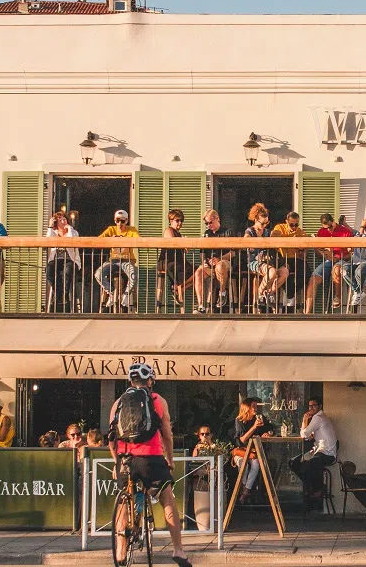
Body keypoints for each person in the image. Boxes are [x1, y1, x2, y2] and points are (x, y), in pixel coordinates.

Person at [108, 363, 191, 567]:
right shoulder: (157, 400)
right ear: (151, 381)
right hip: (150, 458)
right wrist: (169, 460)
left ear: (130, 381)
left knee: (122, 502)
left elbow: (111, 436)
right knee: (167, 498)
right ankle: (178, 550)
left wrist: (115, 461)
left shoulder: (118, 402)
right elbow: (167, 435)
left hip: (125, 458)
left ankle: (120, 549)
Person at [289, 397, 338, 498]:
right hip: (319, 451)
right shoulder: (319, 417)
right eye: (310, 405)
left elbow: (304, 435)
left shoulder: (318, 417)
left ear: (320, 406)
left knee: (309, 463)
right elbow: (309, 436)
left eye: (314, 405)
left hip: (327, 454)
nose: (311, 408)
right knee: (293, 462)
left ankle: (318, 488)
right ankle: (312, 487)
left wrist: (304, 420)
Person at [305, 213, 354, 313]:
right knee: (313, 279)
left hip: (343, 260)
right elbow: (318, 253)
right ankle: (307, 312)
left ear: (334, 222)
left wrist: (339, 257)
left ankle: (337, 297)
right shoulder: (321, 232)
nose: (329, 230)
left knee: (336, 269)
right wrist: (320, 251)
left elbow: (352, 254)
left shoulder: (345, 231)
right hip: (328, 260)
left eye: (331, 227)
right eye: (326, 228)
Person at [95, 209, 140, 310]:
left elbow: (138, 240)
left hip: (127, 260)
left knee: (134, 275)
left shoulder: (131, 230)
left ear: (127, 221)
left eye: (122, 221)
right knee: (98, 274)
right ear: (115, 220)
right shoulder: (111, 229)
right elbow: (98, 239)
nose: (120, 223)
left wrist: (124, 240)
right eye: (117, 221)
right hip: (113, 260)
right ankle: (112, 293)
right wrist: (111, 239)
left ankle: (126, 295)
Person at [233, 397, 274, 504]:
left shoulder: (260, 418)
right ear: (247, 408)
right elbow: (241, 440)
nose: (256, 408)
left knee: (256, 464)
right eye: (253, 406)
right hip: (242, 450)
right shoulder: (240, 420)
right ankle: (245, 488)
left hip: (253, 452)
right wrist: (254, 427)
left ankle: (245, 490)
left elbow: (271, 428)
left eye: (256, 406)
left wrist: (268, 433)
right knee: (243, 464)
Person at [193, 210, 236, 314]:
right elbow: (202, 251)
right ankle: (201, 306)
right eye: (206, 223)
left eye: (210, 222)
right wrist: (204, 261)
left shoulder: (228, 232)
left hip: (225, 262)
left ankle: (222, 293)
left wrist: (219, 259)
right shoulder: (206, 234)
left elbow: (233, 253)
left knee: (220, 266)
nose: (208, 225)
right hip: (210, 265)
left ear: (217, 219)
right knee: (198, 272)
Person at [244, 203, 285, 310]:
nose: (264, 226)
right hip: (254, 261)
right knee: (271, 273)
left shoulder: (267, 232)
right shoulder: (250, 231)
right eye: (262, 223)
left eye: (267, 223)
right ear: (256, 219)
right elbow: (245, 241)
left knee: (285, 272)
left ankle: (270, 293)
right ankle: (260, 295)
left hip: (268, 261)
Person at [158, 209, 196, 311]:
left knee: (200, 272)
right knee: (194, 271)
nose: (179, 223)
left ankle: (178, 288)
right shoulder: (169, 230)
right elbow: (172, 242)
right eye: (177, 220)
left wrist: (185, 244)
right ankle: (177, 288)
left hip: (178, 262)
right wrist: (183, 242)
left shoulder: (179, 234)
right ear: (171, 221)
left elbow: (185, 250)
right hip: (169, 262)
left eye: (181, 221)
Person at [271, 211, 309, 310]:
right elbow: (273, 237)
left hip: (295, 258)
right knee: (286, 272)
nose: (294, 227)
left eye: (296, 224)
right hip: (282, 257)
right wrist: (289, 240)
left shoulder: (300, 231)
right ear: (286, 222)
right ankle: (289, 298)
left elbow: (304, 248)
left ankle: (290, 294)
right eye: (292, 224)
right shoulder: (280, 227)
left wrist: (300, 245)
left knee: (306, 272)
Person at [45, 211, 81, 313]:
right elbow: (48, 240)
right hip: (56, 259)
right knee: (49, 269)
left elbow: (71, 241)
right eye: (59, 219)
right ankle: (58, 291)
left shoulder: (73, 232)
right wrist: (50, 226)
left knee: (68, 270)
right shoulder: (54, 232)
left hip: (70, 260)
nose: (62, 221)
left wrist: (69, 229)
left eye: (64, 218)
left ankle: (64, 295)